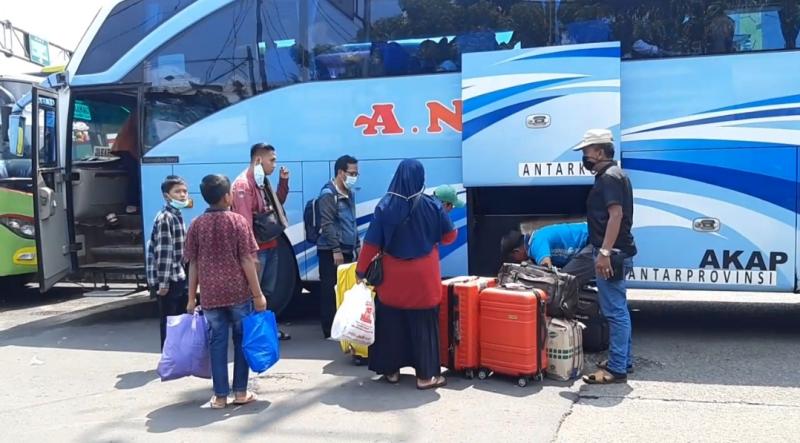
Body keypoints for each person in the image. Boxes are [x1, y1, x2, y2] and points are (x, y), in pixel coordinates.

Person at [355, 159, 457, 390]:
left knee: (391, 322)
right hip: (424, 279)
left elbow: (370, 245)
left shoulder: (385, 206)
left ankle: (391, 372)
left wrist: (360, 271)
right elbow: (449, 237)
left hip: (392, 280)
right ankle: (425, 377)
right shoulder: (433, 205)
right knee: (423, 325)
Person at [185, 174, 267, 409]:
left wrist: (192, 297)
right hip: (238, 293)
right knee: (242, 341)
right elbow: (247, 260)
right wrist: (258, 294)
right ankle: (240, 392)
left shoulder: (196, 225)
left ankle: (220, 396)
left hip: (210, 295)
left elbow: (193, 263)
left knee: (217, 343)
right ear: (226, 197)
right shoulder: (238, 222)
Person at [572, 129, 637, 385]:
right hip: (617, 250)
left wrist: (605, 253)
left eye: (586, 152)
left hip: (612, 252)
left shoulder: (609, 178)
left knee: (614, 312)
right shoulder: (613, 174)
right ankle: (623, 360)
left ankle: (617, 369)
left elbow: (616, 215)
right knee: (619, 309)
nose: (584, 157)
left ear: (599, 151)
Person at [231, 143, 292, 340]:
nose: (274, 164)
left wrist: (283, 182)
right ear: (259, 160)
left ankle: (265, 330)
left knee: (268, 292)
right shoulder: (243, 185)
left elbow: (276, 204)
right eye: (272, 160)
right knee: (252, 294)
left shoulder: (261, 181)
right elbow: (244, 224)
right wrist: (251, 255)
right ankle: (252, 334)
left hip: (270, 244)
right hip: (257, 250)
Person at [318, 155, 360, 340]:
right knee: (329, 290)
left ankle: (342, 327)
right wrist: (335, 250)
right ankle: (328, 330)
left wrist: (356, 245)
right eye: (352, 173)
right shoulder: (328, 194)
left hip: (347, 248)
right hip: (331, 251)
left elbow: (352, 220)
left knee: (344, 290)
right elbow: (327, 224)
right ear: (340, 172)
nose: (354, 177)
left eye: (356, 173)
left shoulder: (349, 193)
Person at [145, 175, 190, 349]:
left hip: (178, 275)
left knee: (177, 319)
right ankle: (169, 355)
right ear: (166, 196)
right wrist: (162, 284)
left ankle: (176, 354)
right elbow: (164, 252)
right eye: (177, 192)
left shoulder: (176, 215)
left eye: (184, 191)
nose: (182, 195)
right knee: (169, 321)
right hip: (169, 279)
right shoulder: (165, 218)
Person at [500, 222, 595, 288]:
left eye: (513, 258)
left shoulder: (536, 244)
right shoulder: (535, 240)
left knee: (563, 283)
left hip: (594, 241)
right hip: (591, 241)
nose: (518, 261)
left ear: (516, 251)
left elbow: (547, 272)